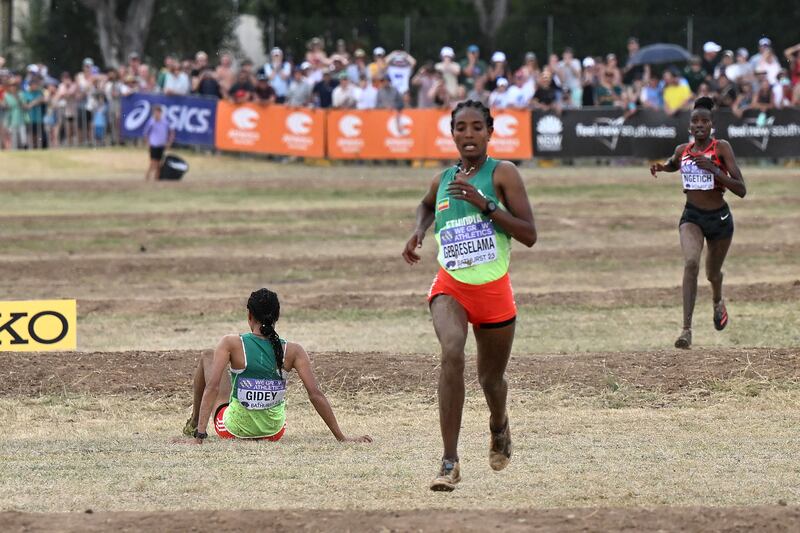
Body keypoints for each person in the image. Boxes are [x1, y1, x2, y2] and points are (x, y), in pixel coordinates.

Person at [401, 100, 537, 491]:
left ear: (490, 133)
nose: (469, 134)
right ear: (452, 133)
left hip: (494, 291)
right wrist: (418, 231)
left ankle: (499, 425)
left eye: (477, 127)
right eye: (461, 127)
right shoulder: (442, 179)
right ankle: (449, 461)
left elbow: (528, 234)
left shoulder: (503, 174)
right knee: (452, 352)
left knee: (491, 379)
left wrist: (486, 204)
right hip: (451, 287)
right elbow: (426, 206)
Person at [181, 288, 372, 444]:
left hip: (234, 429)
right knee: (233, 383)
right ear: (277, 317)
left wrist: (199, 439)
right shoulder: (294, 350)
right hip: (274, 432)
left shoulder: (231, 343)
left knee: (208, 357)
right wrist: (342, 438)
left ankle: (195, 425)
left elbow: (212, 387)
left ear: (249, 315)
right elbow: (315, 394)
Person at [649, 97, 746, 349]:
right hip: (692, 216)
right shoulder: (683, 150)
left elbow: (741, 189)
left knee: (712, 273)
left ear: (712, 125)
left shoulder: (721, 148)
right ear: (689, 127)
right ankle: (686, 331)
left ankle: (717, 301)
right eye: (695, 121)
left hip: (720, 220)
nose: (700, 125)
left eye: (704, 121)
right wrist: (660, 167)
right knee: (691, 263)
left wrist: (714, 170)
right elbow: (674, 164)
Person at [143, 104, 174, 181]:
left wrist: (169, 142)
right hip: (154, 144)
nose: (156, 114)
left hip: (162, 144)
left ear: (160, 113)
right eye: (155, 113)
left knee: (160, 162)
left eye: (157, 112)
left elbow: (171, 131)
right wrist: (148, 143)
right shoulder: (151, 122)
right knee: (153, 162)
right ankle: (147, 176)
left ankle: (156, 178)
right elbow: (146, 133)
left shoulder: (165, 121)